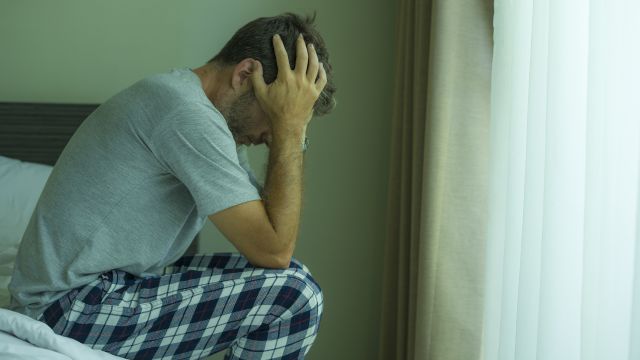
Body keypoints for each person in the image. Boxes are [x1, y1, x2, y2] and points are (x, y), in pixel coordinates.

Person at [9, 12, 336, 360]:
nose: (271, 138)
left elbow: (273, 241)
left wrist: (290, 127)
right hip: (66, 309)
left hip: (107, 292)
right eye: (275, 116)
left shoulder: (199, 114)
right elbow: (273, 248)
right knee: (295, 296)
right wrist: (289, 130)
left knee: (293, 277)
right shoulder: (185, 113)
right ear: (245, 75)